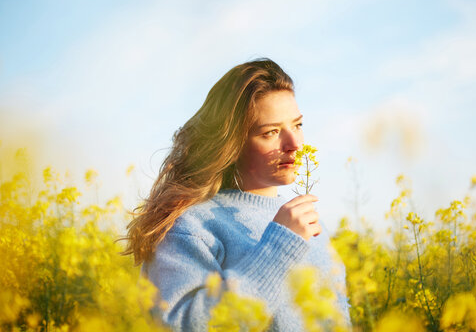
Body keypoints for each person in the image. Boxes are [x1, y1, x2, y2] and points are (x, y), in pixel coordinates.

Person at [124, 58, 351, 331]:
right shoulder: (192, 227)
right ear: (232, 144)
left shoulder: (309, 223)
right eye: (271, 132)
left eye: (298, 125)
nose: (294, 144)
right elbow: (180, 325)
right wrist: (278, 249)